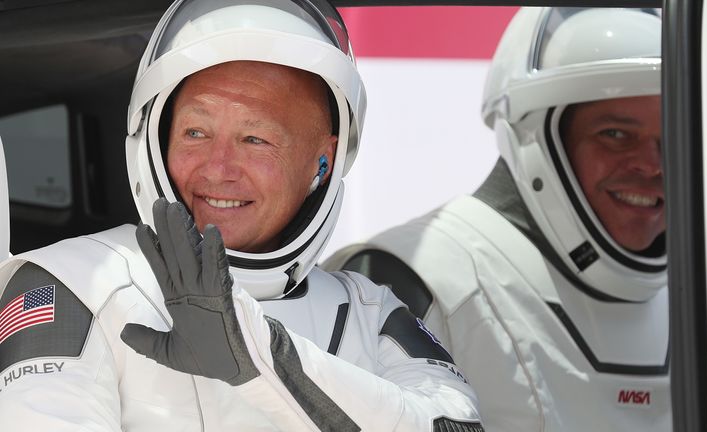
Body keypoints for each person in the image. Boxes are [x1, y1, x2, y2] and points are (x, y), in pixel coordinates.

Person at [0, 0, 484, 430]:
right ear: (155, 138)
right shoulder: (72, 284)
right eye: (195, 132)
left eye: (256, 139)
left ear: (322, 162)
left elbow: (455, 426)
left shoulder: (370, 312)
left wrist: (260, 357)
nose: (218, 167)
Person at [323, 7, 670, 432]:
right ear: (541, 139)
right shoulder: (408, 279)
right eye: (616, 135)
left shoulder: (702, 295)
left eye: (672, 137)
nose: (653, 165)